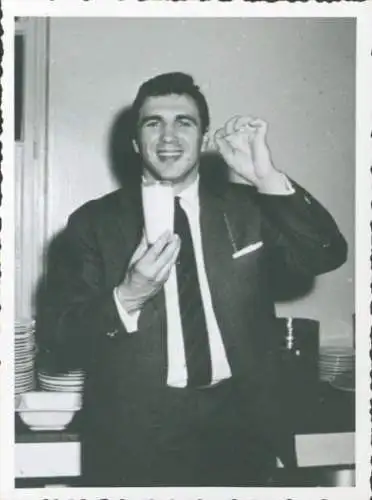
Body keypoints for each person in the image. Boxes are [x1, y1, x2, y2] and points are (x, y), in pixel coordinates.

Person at [36, 72, 347, 487]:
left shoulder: (249, 208)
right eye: (153, 123)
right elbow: (61, 336)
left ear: (204, 140)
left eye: (184, 122)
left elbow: (326, 254)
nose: (169, 136)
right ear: (134, 144)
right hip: (137, 439)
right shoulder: (93, 224)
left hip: (242, 432)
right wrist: (128, 295)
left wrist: (266, 177)